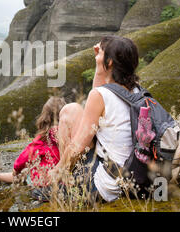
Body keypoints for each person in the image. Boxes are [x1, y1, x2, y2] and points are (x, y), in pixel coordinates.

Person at [50, 35, 141, 203]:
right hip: (134, 175)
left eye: (101, 54)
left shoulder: (100, 96)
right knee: (77, 110)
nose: (96, 55)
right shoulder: (136, 91)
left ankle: (66, 182)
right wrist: (100, 61)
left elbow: (78, 146)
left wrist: (54, 175)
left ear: (111, 62)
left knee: (70, 110)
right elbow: (101, 91)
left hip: (106, 187)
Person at [0, 96, 66, 187]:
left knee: (22, 175)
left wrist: (15, 171)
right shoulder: (70, 134)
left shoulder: (43, 139)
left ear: (45, 117)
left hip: (46, 180)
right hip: (67, 177)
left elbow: (23, 159)